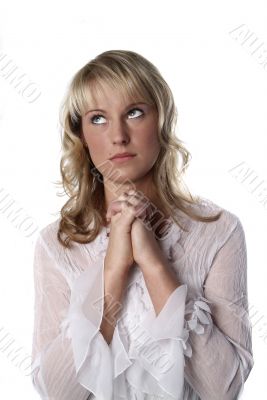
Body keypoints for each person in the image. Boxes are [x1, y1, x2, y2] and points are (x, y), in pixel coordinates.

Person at [30, 49, 254, 400]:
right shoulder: (57, 243)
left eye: (134, 113)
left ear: (162, 120)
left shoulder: (219, 231)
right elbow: (57, 392)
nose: (118, 135)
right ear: (82, 135)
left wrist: (154, 265)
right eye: (99, 119)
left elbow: (223, 390)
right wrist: (114, 271)